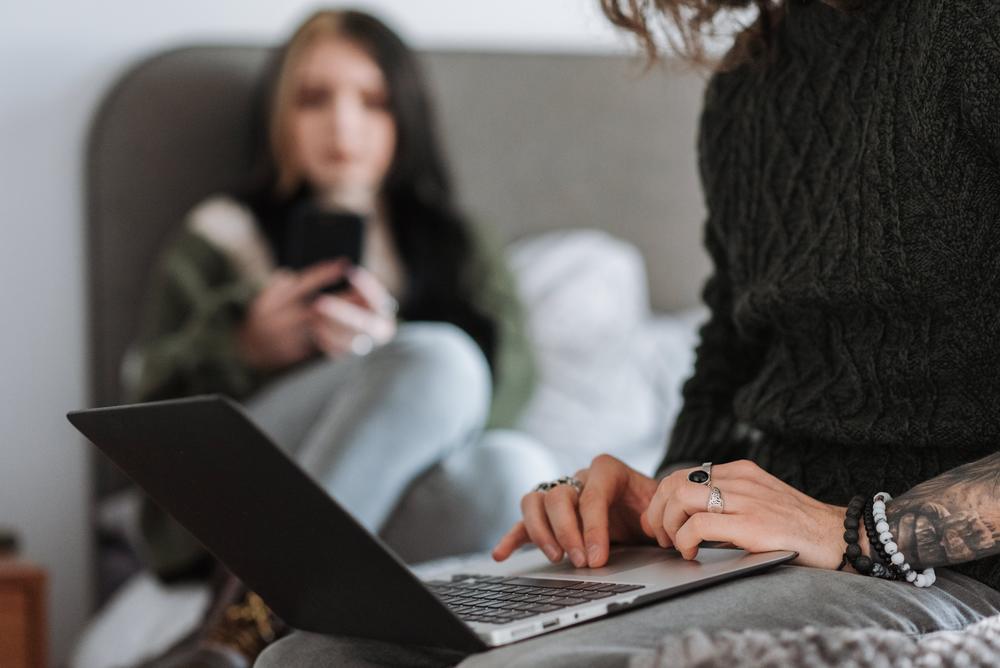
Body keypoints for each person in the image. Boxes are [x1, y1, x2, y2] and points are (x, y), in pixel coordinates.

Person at [256, 0, 1000, 666]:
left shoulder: (970, 31)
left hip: (940, 571)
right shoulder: (748, 86)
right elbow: (729, 365)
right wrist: (660, 501)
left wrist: (853, 532)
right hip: (754, 554)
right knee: (313, 655)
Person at [126, 7, 550, 608]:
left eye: (372, 101)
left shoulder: (457, 244)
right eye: (313, 99)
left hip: (387, 506)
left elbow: (511, 387)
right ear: (278, 113)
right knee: (442, 360)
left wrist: (391, 357)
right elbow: (145, 405)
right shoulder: (219, 237)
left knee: (514, 466)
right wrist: (244, 347)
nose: (343, 126)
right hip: (251, 498)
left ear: (406, 115)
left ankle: (296, 608)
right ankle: (252, 610)